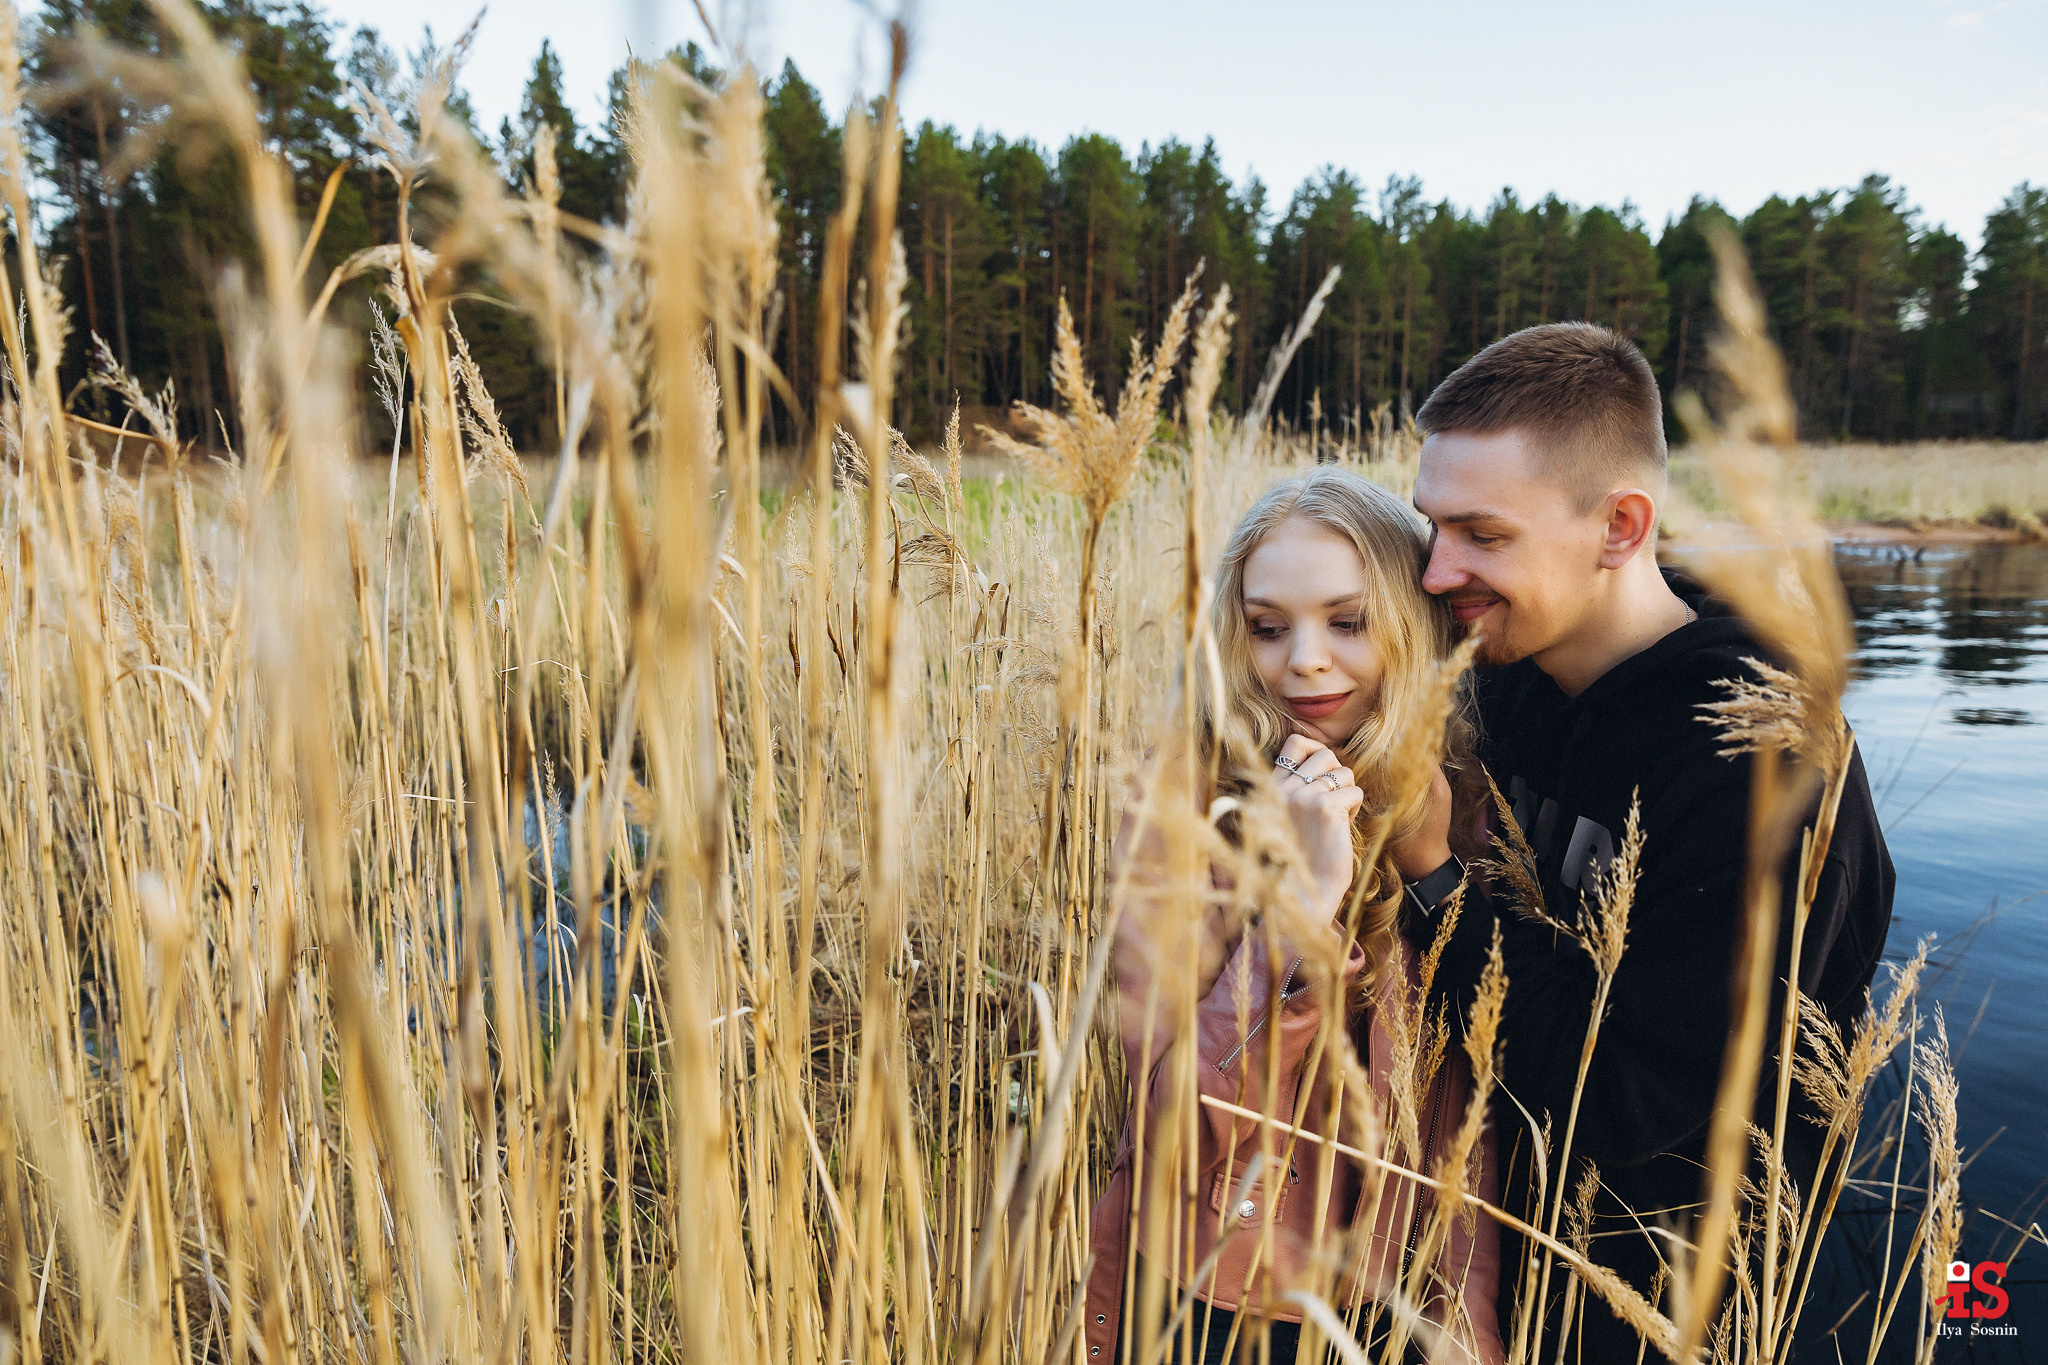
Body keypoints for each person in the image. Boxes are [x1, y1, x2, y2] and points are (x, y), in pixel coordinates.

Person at [1407, 322, 1894, 1355]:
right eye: (1431, 528)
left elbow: (1629, 1099)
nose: (1437, 572)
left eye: (1482, 534)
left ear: (1620, 526)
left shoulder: (1765, 763)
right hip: (1497, 1243)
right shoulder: (1503, 671)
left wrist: (1432, 879)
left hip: (1668, 1296)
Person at [1083, 468, 1505, 1365]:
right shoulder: (1185, 808)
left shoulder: (1471, 794)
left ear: (1412, 622)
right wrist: (1299, 916)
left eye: (1348, 622)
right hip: (1234, 1296)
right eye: (1269, 627)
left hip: (1411, 1291)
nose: (1304, 659)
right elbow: (1173, 1130)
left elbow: (1490, 1090)